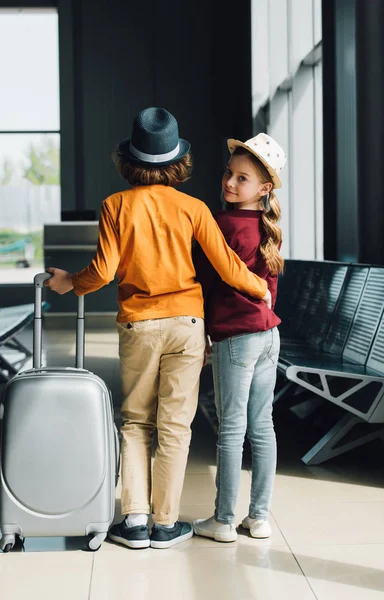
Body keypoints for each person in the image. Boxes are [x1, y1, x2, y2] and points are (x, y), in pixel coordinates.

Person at [45, 107, 271, 550]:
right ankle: (165, 524)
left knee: (134, 422)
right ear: (177, 160)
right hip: (188, 325)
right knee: (175, 426)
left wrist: (69, 283)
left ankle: (133, 521)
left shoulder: (115, 206)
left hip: (139, 325)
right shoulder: (194, 208)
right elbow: (228, 267)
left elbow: (104, 271)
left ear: (130, 158)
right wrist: (259, 288)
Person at [192, 132, 286, 543]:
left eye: (241, 178)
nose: (229, 183)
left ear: (263, 188)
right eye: (229, 173)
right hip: (269, 335)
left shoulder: (221, 225)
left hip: (237, 338)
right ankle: (260, 517)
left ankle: (224, 520)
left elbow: (205, 282)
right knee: (261, 427)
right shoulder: (268, 230)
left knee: (231, 429)